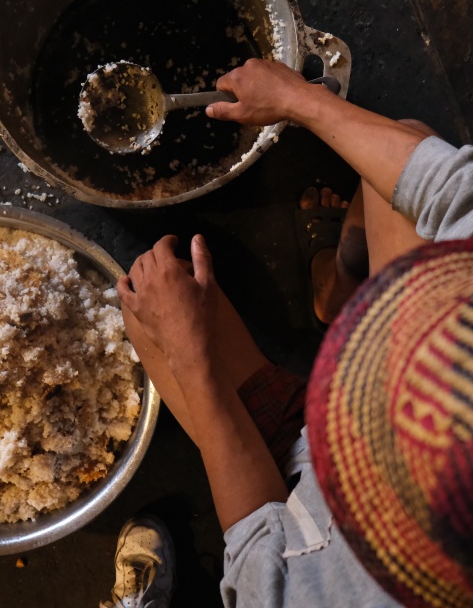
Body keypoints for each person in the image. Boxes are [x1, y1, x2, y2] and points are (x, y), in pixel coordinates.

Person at [99, 59, 473, 607]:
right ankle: (339, 288)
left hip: (299, 499)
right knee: (409, 151)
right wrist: (298, 99)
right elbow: (452, 194)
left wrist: (189, 354)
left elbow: (259, 548)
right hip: (381, 405)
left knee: (148, 311)